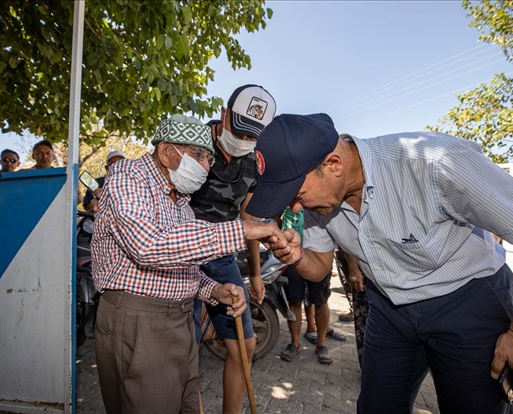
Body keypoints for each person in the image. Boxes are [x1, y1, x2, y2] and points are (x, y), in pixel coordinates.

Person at [246, 113, 513, 413]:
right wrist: (296, 256)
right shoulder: (319, 200)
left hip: (468, 302)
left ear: (333, 165)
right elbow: (321, 266)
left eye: (298, 195)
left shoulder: (434, 161)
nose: (297, 208)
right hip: (389, 307)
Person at [90, 114, 284, 414]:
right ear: (168, 152)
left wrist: (214, 290)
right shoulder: (127, 178)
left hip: (179, 323)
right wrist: (243, 229)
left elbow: (181, 265)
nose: (207, 167)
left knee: (187, 404)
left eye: (208, 157)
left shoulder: (180, 203)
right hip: (140, 322)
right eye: (200, 156)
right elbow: (149, 246)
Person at [190, 84, 276, 413]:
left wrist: (254, 274)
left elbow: (248, 219)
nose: (243, 141)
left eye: (253, 137)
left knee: (245, 345)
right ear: (224, 115)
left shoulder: (254, 163)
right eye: (239, 130)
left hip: (222, 257)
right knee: (186, 349)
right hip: (183, 258)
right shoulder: (193, 146)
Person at [277, 206, 346, 365]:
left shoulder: (324, 196)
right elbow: (275, 215)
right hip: (293, 254)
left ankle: (321, 344)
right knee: (294, 301)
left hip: (320, 252)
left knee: (320, 301)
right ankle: (294, 343)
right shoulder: (290, 193)